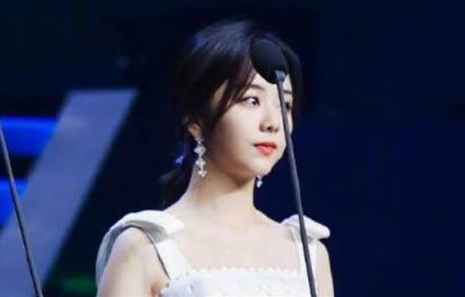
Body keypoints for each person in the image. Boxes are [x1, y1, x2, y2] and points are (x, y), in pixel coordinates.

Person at [96, 19, 334, 296]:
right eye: (251, 100)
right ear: (195, 120)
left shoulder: (309, 254)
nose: (273, 122)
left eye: (285, 104)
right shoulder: (144, 247)